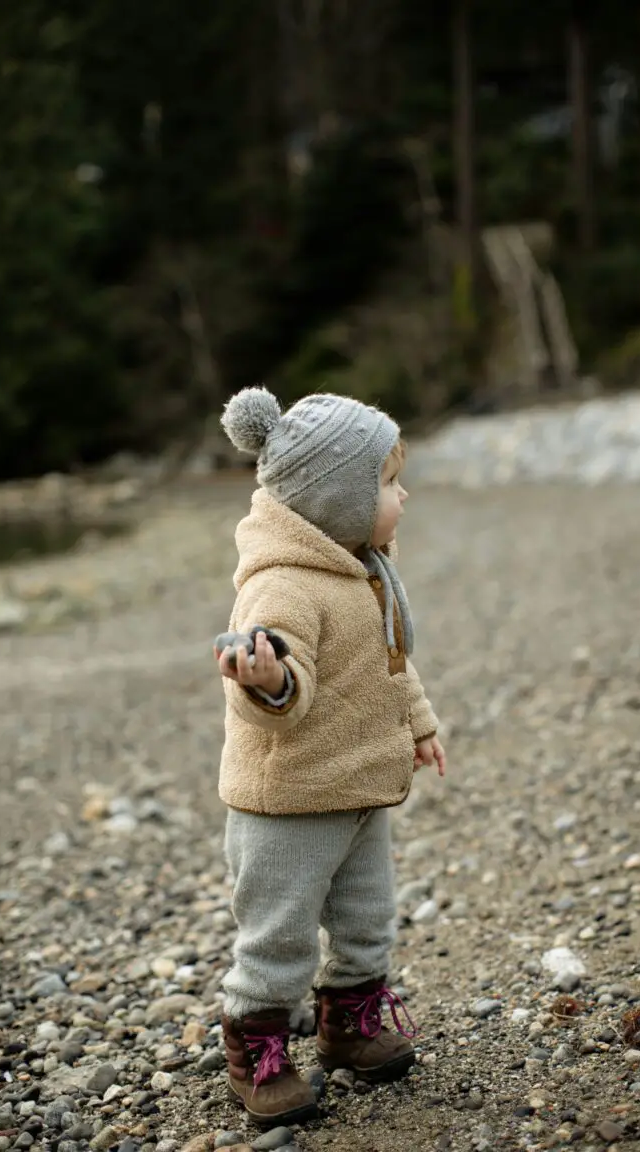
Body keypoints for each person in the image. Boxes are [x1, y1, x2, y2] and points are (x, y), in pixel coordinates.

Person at [214, 387, 445, 1127]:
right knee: (278, 932)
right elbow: (281, 687)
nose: (402, 495)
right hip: (285, 804)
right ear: (333, 497)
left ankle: (350, 1022)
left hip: (357, 787)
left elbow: (391, 663)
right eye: (385, 483)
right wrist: (269, 677)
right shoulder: (281, 584)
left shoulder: (362, 568)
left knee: (367, 914)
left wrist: (419, 724)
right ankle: (259, 1049)